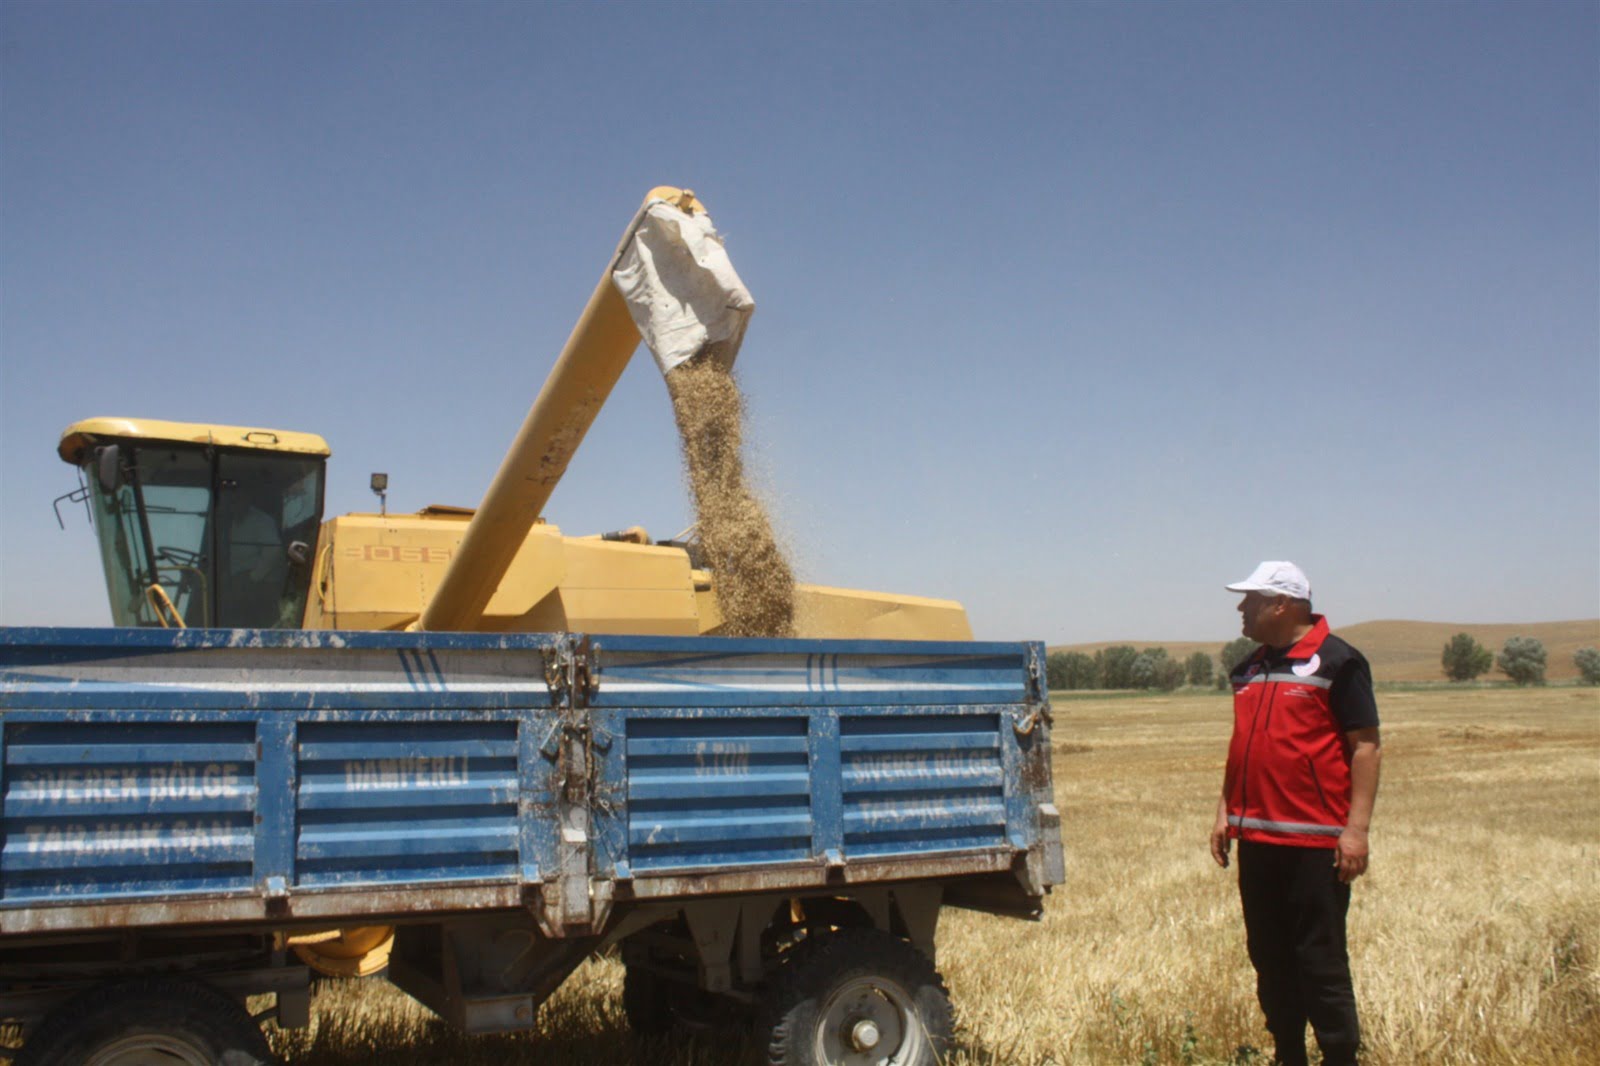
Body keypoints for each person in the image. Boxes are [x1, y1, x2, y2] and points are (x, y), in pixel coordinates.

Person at [1209, 561, 1382, 1066]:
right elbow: (1244, 745)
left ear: (1281, 605)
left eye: (1250, 600)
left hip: (1315, 844)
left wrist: (1356, 831)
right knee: (1269, 957)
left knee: (1320, 961)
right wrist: (1225, 810)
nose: (1241, 609)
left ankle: (1340, 1057)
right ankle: (1287, 1054)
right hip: (1257, 841)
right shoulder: (1248, 668)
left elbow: (1366, 747)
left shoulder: (1338, 662)